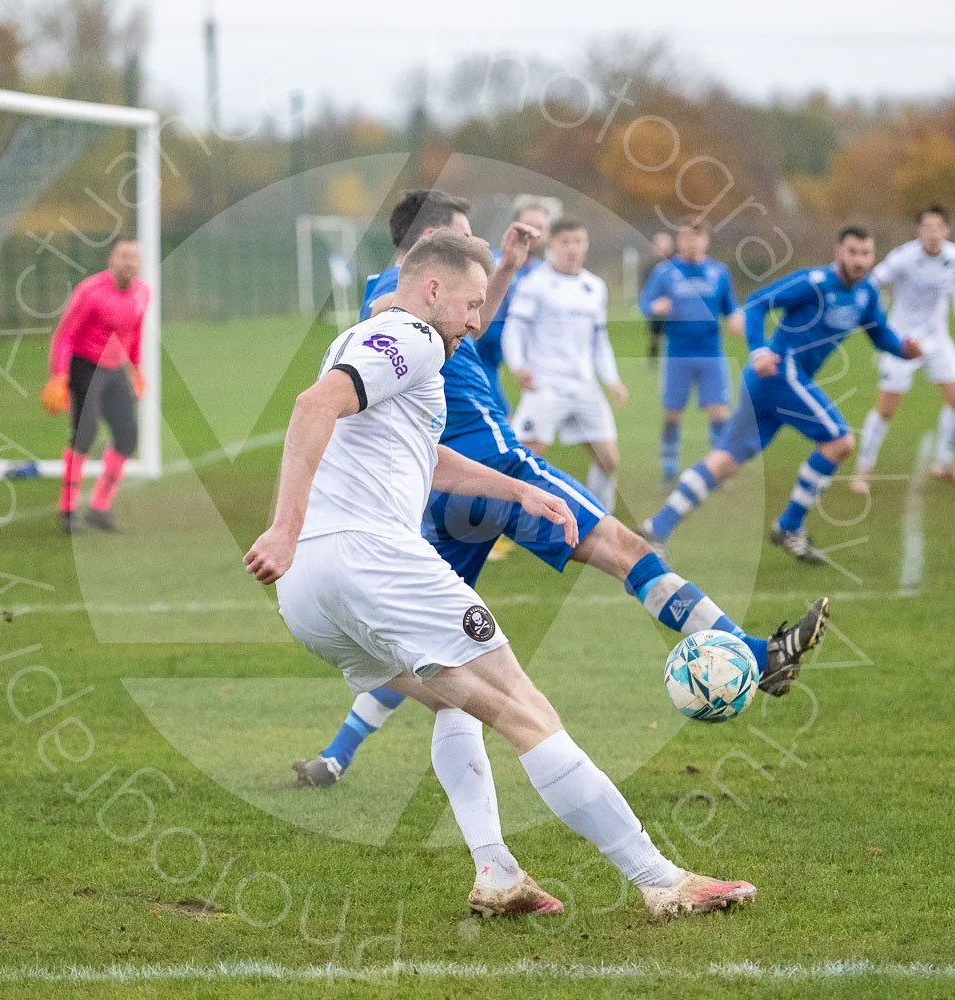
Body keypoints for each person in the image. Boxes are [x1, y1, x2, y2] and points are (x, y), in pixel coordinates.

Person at [250, 229, 759, 921]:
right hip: (367, 558)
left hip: (308, 595)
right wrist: (282, 525)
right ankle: (661, 879)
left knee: (455, 702)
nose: (479, 321)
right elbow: (313, 407)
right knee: (525, 710)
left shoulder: (375, 343)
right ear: (433, 290)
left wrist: (519, 492)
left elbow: (420, 459)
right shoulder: (415, 336)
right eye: (473, 302)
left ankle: (496, 872)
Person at [293, 192, 828, 790]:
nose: (480, 251)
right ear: (431, 248)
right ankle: (754, 654)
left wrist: (508, 268)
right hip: (494, 461)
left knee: (423, 640)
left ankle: (336, 754)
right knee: (625, 549)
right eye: (468, 240)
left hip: (439, 483)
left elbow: (468, 323)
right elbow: (394, 307)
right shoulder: (394, 292)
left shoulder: (428, 314)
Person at [643, 227, 924, 564]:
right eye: (852, 252)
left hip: (772, 383)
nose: (859, 261)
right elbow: (758, 302)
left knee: (726, 460)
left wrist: (903, 349)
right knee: (840, 441)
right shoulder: (815, 282)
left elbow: (879, 334)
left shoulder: (866, 293)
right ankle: (789, 525)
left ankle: (656, 528)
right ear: (838, 252)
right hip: (779, 372)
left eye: (866, 253)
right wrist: (759, 350)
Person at [503, 220, 627, 512]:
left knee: (608, 459)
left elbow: (599, 340)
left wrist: (612, 380)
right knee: (526, 454)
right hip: (546, 384)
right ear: (551, 246)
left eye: (578, 241)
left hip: (584, 385)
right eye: (565, 242)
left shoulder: (594, 286)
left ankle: (600, 518)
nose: (572, 248)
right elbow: (514, 329)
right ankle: (504, 517)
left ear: (586, 245)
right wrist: (519, 365)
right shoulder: (534, 283)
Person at [851, 206, 955, 493]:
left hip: (938, 339)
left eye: (938, 227)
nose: (932, 233)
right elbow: (873, 281)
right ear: (919, 230)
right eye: (927, 227)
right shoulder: (904, 258)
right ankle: (862, 472)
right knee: (886, 408)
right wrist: (873, 315)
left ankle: (945, 463)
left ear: (947, 230)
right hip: (901, 341)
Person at [40, 238, 150, 533]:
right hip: (85, 365)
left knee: (127, 437)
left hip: (115, 371)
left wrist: (135, 369)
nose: (129, 262)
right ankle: (68, 510)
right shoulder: (91, 292)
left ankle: (99, 507)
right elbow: (65, 335)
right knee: (85, 432)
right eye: (123, 255)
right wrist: (59, 376)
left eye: (134, 257)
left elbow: (134, 332)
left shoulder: (143, 292)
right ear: (111, 259)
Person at [474, 196, 553, 565]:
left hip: (498, 362)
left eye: (542, 225)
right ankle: (484, 528)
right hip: (476, 356)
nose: (535, 232)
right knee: (498, 442)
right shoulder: (497, 262)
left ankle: (488, 525)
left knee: (506, 441)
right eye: (529, 223)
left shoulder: (540, 272)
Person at [637, 221, 744, 482]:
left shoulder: (719, 272)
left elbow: (730, 306)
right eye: (685, 238)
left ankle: (718, 468)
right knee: (673, 412)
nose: (691, 243)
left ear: (705, 241)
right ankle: (669, 467)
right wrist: (655, 306)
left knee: (719, 411)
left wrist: (735, 318)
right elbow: (645, 303)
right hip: (677, 354)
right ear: (679, 241)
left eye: (696, 238)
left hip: (711, 353)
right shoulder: (665, 272)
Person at [643, 231, 675, 366]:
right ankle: (653, 357)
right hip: (657, 305)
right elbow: (647, 287)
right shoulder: (651, 266)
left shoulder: (675, 264)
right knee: (655, 332)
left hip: (673, 305)